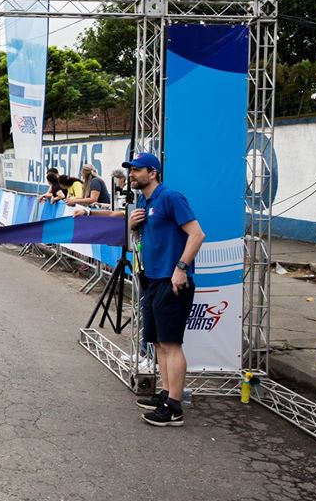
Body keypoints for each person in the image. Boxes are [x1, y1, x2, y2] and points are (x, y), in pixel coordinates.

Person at [73, 153, 205, 427]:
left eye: (136, 170)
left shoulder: (170, 198)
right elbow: (121, 218)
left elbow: (197, 234)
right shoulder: (144, 201)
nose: (131, 174)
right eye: (130, 170)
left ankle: (174, 407)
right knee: (158, 342)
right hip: (152, 280)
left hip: (172, 280)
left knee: (171, 344)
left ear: (153, 172)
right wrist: (93, 214)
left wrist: (181, 268)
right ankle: (166, 394)